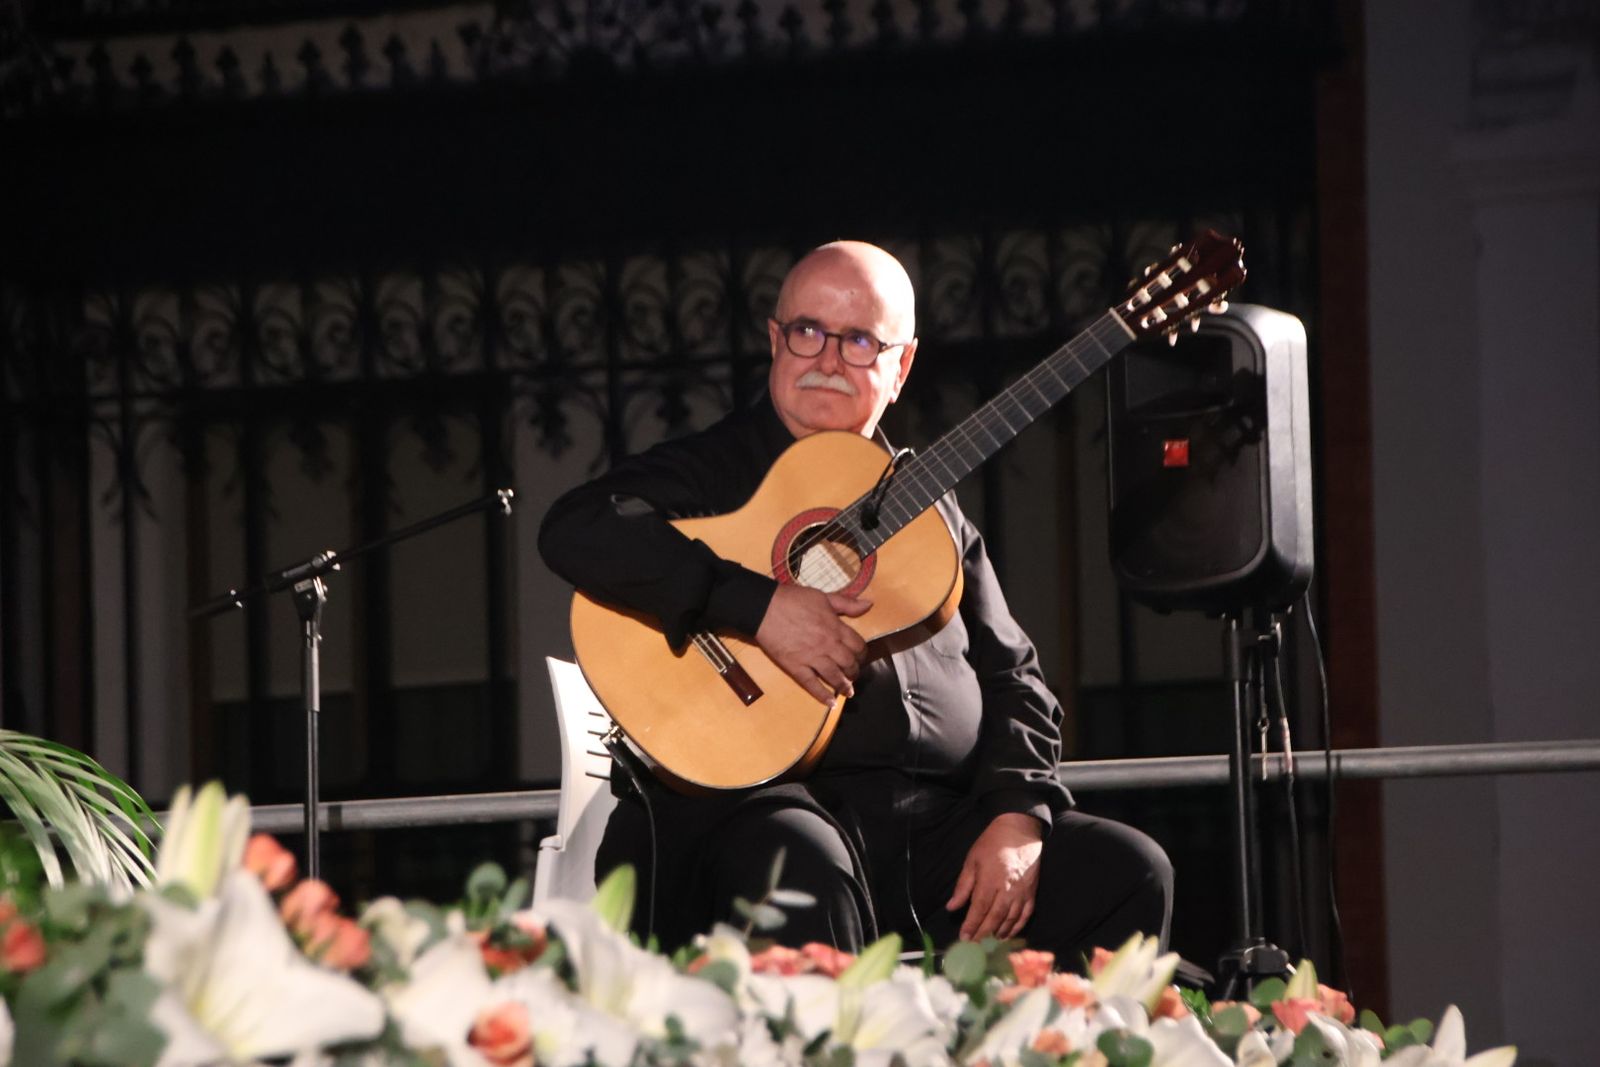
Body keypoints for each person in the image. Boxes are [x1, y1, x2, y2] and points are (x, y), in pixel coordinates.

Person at [538, 240, 1172, 962]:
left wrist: (1018, 815)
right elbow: (574, 529)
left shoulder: (931, 504)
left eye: (861, 340)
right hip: (764, 812)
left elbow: (1014, 675)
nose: (828, 358)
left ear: (900, 367)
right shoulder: (718, 469)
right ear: (775, 341)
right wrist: (757, 605)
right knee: (801, 861)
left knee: (1127, 872)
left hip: (935, 832)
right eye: (807, 331)